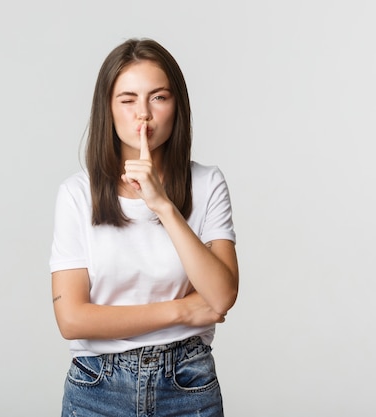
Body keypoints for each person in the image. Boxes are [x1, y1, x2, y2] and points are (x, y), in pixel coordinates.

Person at [49, 37, 239, 417]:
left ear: (176, 106)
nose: (143, 115)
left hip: (187, 381)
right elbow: (72, 319)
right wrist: (182, 312)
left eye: (158, 97)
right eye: (128, 99)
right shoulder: (76, 194)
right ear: (108, 108)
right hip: (97, 387)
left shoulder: (207, 183)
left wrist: (162, 205)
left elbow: (220, 296)